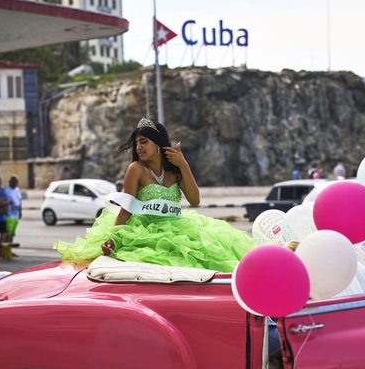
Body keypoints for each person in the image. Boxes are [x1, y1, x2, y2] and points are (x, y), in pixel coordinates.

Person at [54, 117, 255, 272]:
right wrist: (113, 238)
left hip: (177, 227)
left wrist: (183, 164)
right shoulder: (136, 169)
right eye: (137, 143)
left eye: (144, 142)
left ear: (158, 143)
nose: (139, 147)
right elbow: (127, 208)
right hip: (144, 229)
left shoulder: (175, 170)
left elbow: (195, 200)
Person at [3, 174, 22, 249]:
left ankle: (10, 249)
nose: (16, 183)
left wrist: (20, 211)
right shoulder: (5, 189)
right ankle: (4, 250)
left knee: (12, 234)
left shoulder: (17, 189)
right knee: (7, 233)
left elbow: (19, 200)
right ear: (10, 182)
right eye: (14, 182)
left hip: (16, 215)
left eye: (17, 182)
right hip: (9, 215)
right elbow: (2, 201)